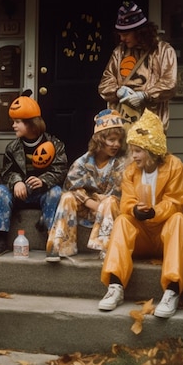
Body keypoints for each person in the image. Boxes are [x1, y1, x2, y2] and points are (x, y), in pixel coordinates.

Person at [98, 109, 183, 318]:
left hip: (166, 234)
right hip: (142, 236)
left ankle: (172, 290)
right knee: (123, 220)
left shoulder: (175, 166)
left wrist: (154, 212)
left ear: (152, 150)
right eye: (132, 150)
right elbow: (127, 202)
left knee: (179, 219)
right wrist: (134, 210)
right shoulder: (131, 171)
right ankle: (115, 286)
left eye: (138, 150)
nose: (133, 156)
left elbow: (176, 202)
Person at [0, 92, 67, 256]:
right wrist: (16, 182)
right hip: (20, 194)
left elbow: (61, 169)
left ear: (31, 124)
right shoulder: (12, 148)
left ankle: (50, 237)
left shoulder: (55, 144)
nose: (13, 125)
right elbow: (7, 172)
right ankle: (0, 238)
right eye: (13, 122)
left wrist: (44, 180)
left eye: (18, 122)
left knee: (57, 193)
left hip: (42, 194)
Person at [45, 109, 127, 262]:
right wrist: (91, 203)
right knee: (67, 197)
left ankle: (106, 247)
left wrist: (101, 204)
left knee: (110, 202)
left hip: (111, 210)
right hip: (88, 207)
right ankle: (60, 245)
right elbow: (71, 186)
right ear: (100, 140)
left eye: (119, 140)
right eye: (111, 140)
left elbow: (120, 193)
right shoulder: (83, 161)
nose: (116, 144)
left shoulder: (122, 163)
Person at [98, 0, 177, 130]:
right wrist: (118, 91)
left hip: (151, 125)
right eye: (120, 34)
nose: (122, 38)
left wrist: (145, 95)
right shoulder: (119, 52)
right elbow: (105, 83)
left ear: (140, 31)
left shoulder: (164, 51)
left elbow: (169, 83)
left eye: (126, 34)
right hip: (122, 123)